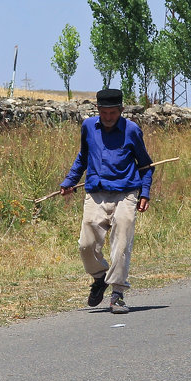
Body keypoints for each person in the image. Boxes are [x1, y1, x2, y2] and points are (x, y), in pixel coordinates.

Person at [60, 88, 153, 314]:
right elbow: (83, 157)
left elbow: (146, 165)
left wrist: (145, 192)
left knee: (121, 242)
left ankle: (118, 294)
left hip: (126, 192)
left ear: (121, 110)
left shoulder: (132, 130)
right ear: (98, 110)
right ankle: (100, 278)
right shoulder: (89, 127)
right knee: (86, 244)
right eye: (104, 112)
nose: (109, 117)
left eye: (113, 112)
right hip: (97, 191)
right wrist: (70, 181)